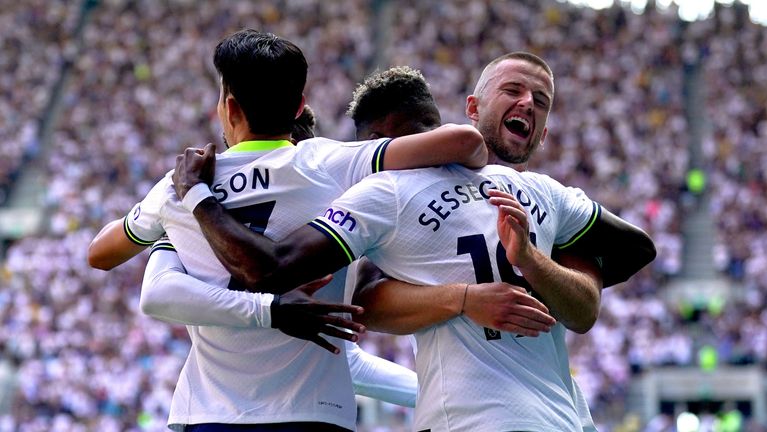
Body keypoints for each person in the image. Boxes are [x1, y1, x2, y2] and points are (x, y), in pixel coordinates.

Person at [174, 53, 656, 431]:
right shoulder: (390, 191)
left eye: (540, 99)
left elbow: (633, 253)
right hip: (477, 418)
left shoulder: (537, 190)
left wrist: (540, 264)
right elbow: (362, 299)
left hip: (562, 417)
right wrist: (465, 298)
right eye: (513, 90)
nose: (527, 103)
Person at [88, 29, 489, 431]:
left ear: (228, 108)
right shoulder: (331, 163)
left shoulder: (178, 186)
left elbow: (100, 254)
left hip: (212, 414)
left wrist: (167, 217)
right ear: (300, 107)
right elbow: (463, 141)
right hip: (315, 414)